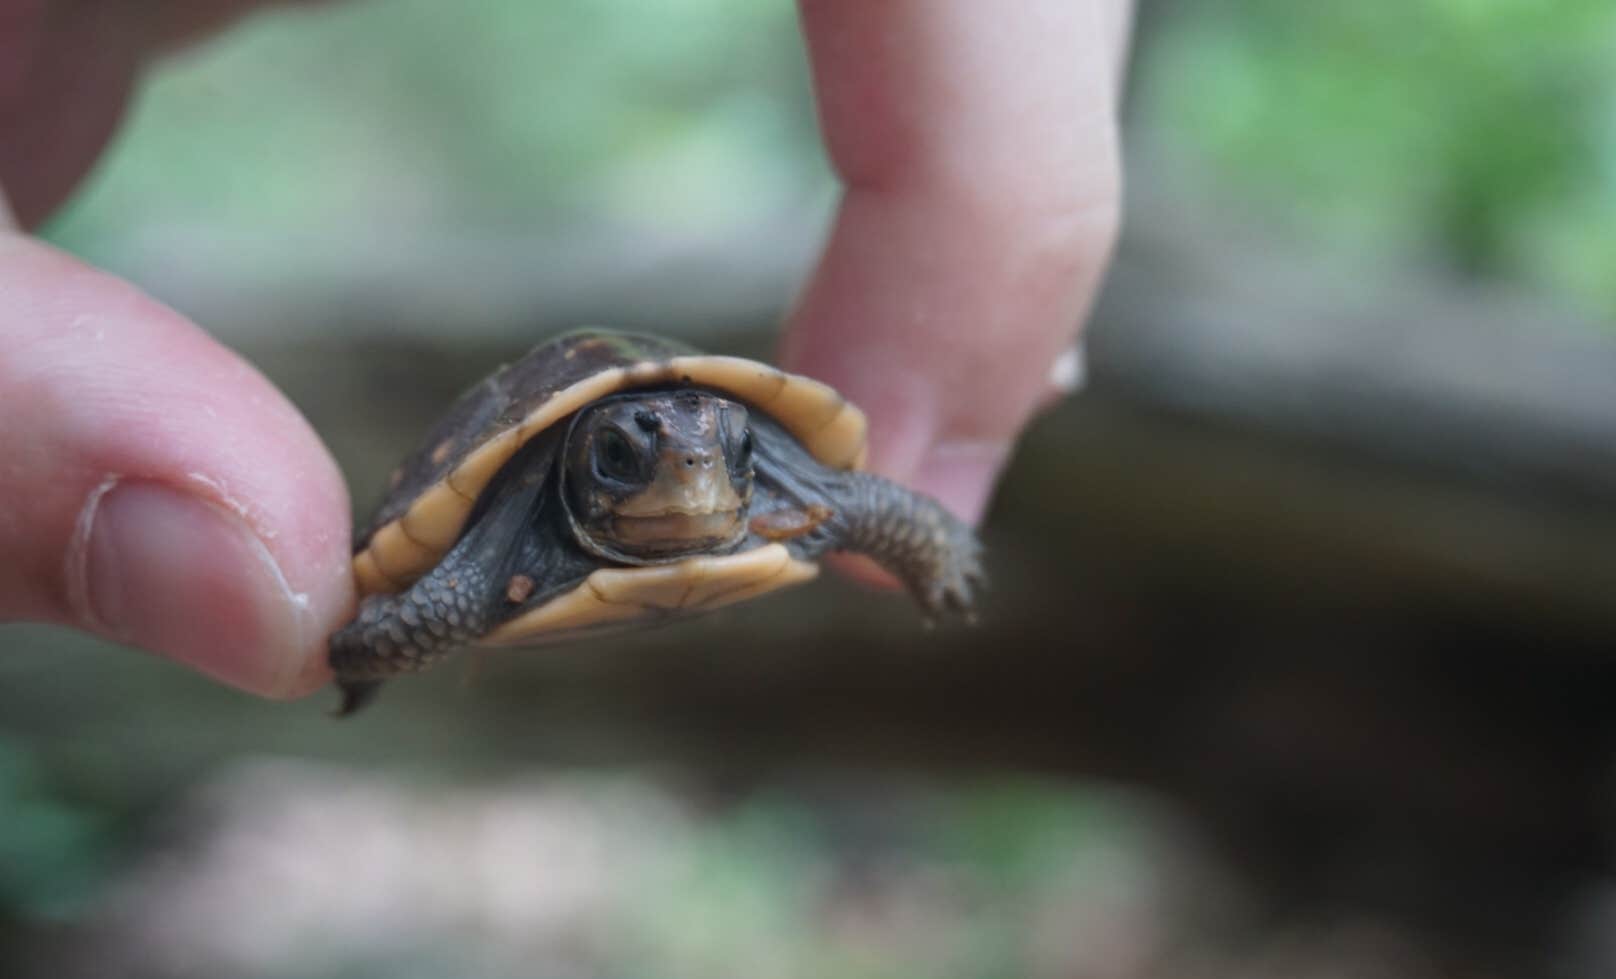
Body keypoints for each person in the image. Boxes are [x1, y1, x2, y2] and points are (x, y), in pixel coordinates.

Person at [0, 0, 1128, 699]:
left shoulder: (772, 482)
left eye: (721, 450)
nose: (689, 463)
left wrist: (934, 549)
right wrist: (364, 649)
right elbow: (422, 603)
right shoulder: (506, 532)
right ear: (586, 467)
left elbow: (883, 507)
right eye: (632, 452)